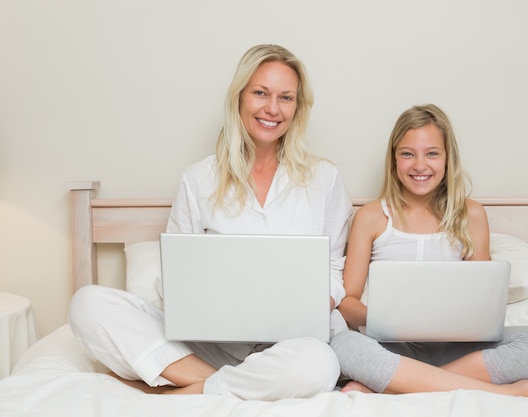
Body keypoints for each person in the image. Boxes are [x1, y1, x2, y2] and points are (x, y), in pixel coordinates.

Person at [68, 44, 353, 400]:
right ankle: (227, 382)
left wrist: (301, 309)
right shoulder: (199, 178)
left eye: (286, 98)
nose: (272, 108)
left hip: (293, 342)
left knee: (319, 364)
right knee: (87, 304)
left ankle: (190, 387)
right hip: (211, 344)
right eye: (260, 93)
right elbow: (179, 274)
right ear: (239, 98)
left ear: (298, 108)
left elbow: (334, 270)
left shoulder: (324, 178)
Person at [330, 104, 528, 397]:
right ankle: (512, 393)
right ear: (394, 160)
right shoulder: (371, 217)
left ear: (448, 159)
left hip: (456, 350)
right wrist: (387, 320)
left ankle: (398, 385)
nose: (420, 165)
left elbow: (483, 305)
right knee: (342, 346)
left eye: (432, 153)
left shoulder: (471, 215)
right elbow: (347, 304)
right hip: (392, 347)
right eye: (407, 153)